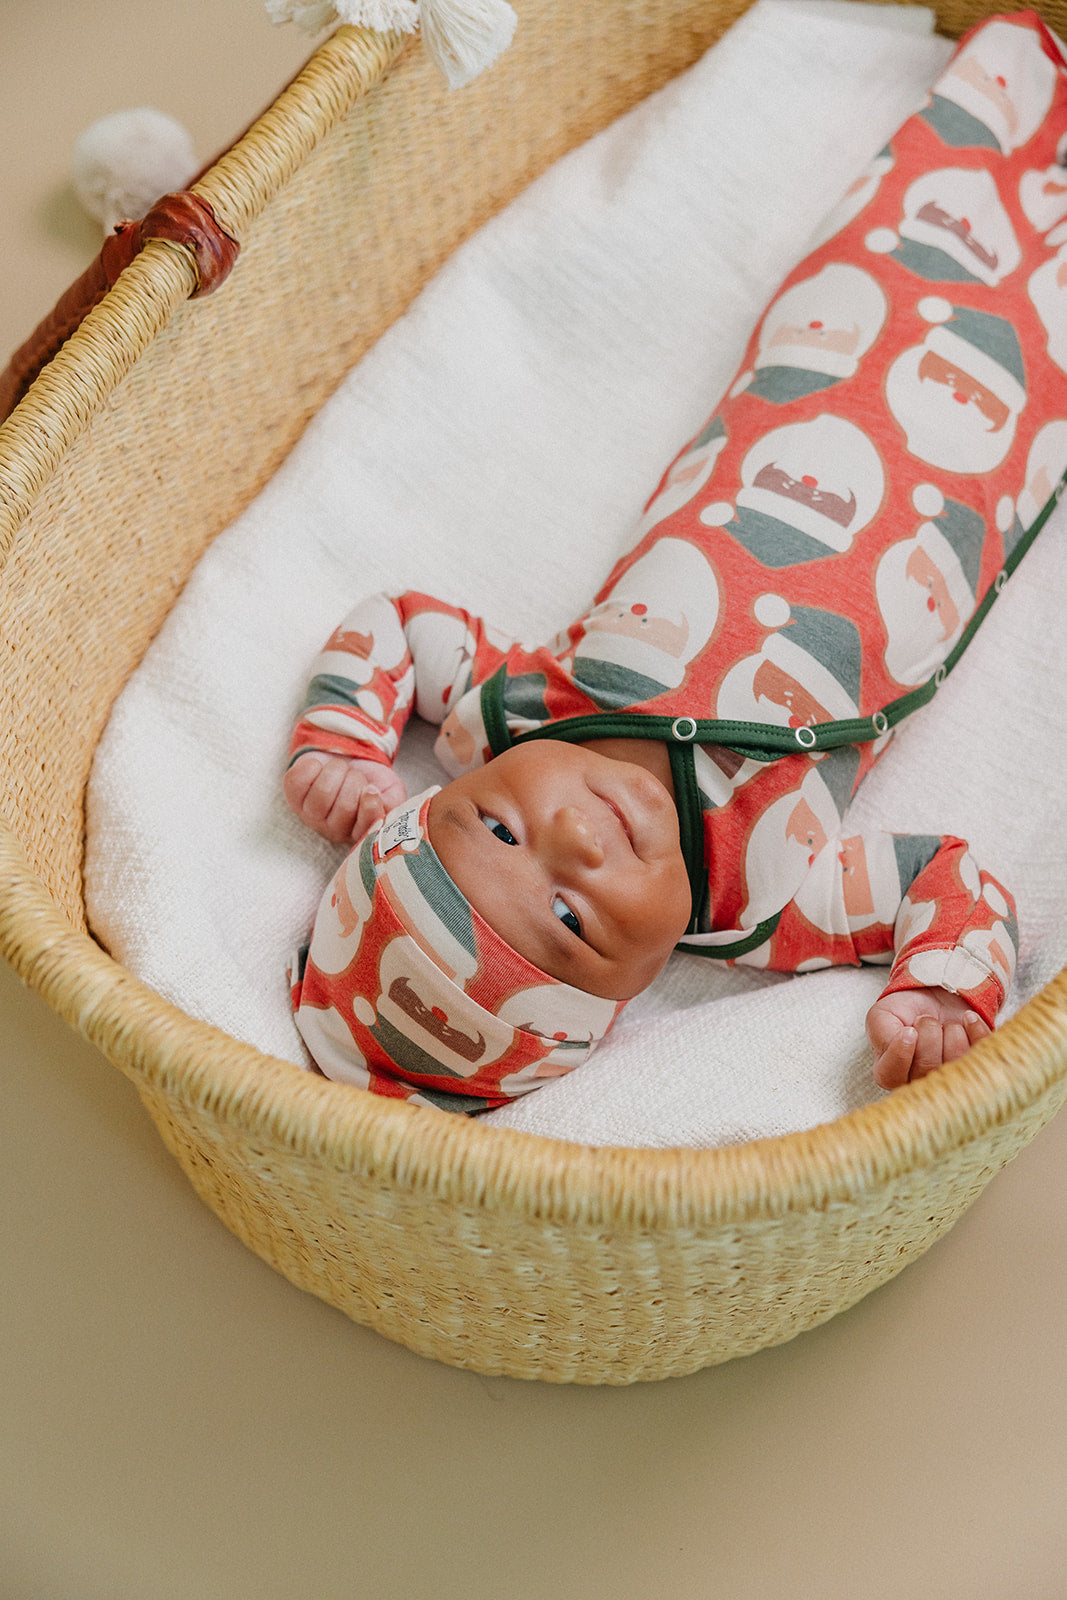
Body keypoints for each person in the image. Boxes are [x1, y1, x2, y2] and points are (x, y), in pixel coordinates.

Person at [284, 10, 1067, 1114]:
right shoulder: (763, 904)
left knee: (914, 202)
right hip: (990, 454)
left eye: (496, 827)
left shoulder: (514, 709)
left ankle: (1026, 70)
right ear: (626, 997)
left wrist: (341, 744)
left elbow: (398, 623)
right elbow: (949, 882)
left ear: (444, 790)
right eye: (570, 921)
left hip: (820, 357)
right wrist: (944, 996)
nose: (568, 841)